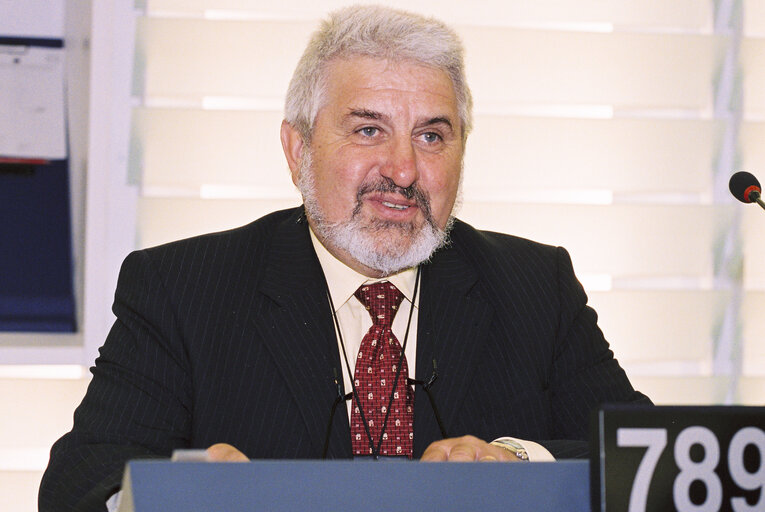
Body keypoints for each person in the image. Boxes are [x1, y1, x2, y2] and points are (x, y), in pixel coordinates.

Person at [39, 5, 650, 511]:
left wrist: (517, 461)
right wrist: (171, 493)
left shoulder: (534, 287)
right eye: (368, 130)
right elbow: (78, 488)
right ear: (297, 148)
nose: (403, 170)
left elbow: (650, 459)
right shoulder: (181, 289)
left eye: (432, 136)